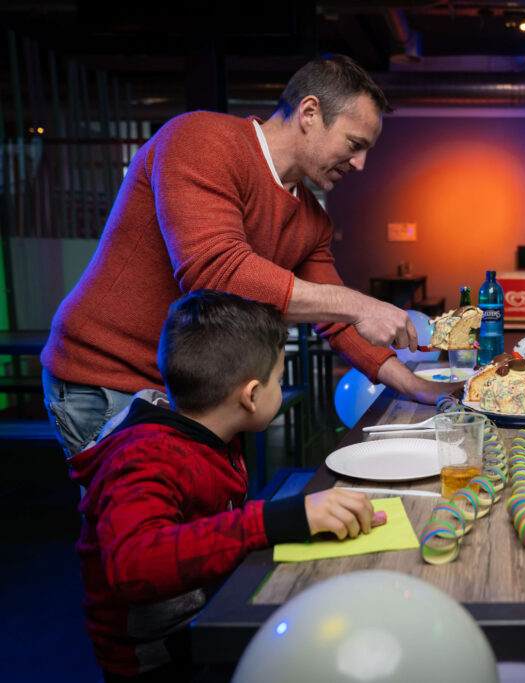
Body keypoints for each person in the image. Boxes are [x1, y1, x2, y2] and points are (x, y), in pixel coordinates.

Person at [41, 54, 457, 457]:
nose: (361, 163)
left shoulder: (311, 220)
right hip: (108, 375)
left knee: (198, 524)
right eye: (354, 144)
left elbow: (334, 316)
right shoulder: (200, 139)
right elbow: (214, 271)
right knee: (138, 526)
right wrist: (358, 303)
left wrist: (411, 384)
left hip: (195, 388)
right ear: (309, 113)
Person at [70, 290, 380, 681]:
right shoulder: (143, 458)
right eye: (279, 381)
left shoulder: (207, 433)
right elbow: (132, 563)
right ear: (250, 396)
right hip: (159, 660)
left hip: (202, 615)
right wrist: (271, 521)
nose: (280, 390)